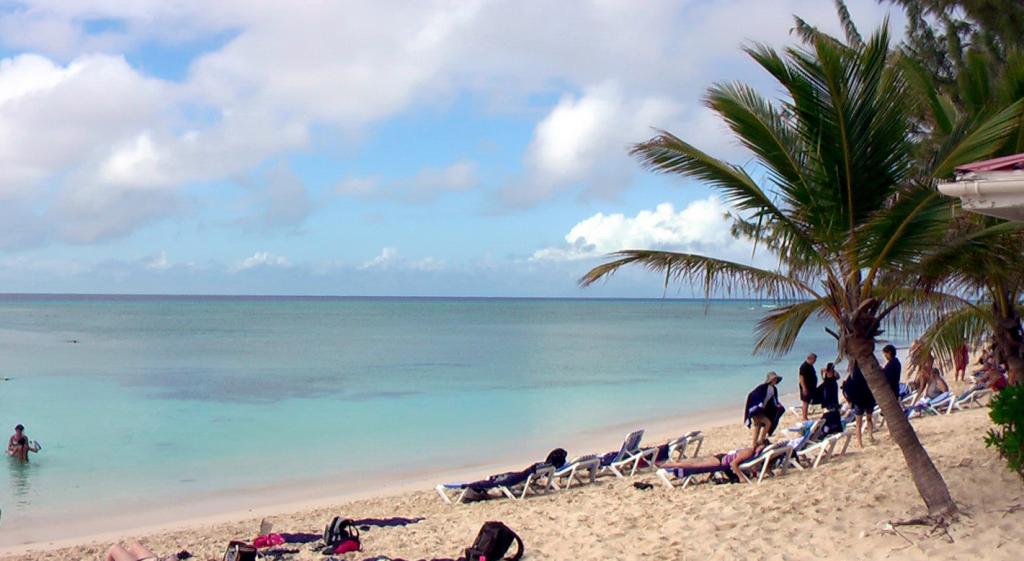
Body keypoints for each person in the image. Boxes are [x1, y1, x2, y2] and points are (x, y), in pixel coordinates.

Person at [660, 441, 769, 483]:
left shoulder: (753, 453)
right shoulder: (749, 451)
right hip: (720, 461)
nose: (761, 450)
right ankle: (665, 465)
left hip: (722, 460)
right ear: (758, 446)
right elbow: (733, 464)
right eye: (761, 448)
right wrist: (741, 477)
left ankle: (675, 462)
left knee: (697, 462)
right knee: (694, 464)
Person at [744, 372, 785, 449]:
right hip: (756, 410)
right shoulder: (762, 387)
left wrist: (778, 405)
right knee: (767, 423)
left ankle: (754, 444)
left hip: (762, 411)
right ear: (770, 379)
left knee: (758, 426)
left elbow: (774, 401)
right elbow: (752, 395)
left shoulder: (774, 389)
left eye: (776, 379)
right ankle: (761, 441)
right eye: (774, 379)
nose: (775, 380)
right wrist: (758, 405)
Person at [841, 361, 876, 447]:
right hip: (869, 399)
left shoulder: (853, 375)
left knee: (858, 423)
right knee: (869, 419)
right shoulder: (866, 372)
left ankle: (859, 442)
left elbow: (846, 388)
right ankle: (870, 436)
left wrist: (849, 400)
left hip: (859, 401)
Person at [798, 353, 818, 421]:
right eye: (814, 360)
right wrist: (804, 388)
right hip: (806, 387)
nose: (815, 361)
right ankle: (804, 417)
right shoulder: (804, 366)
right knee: (805, 402)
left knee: (807, 401)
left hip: (810, 386)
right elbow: (801, 378)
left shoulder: (810, 365)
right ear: (810, 359)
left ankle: (805, 416)